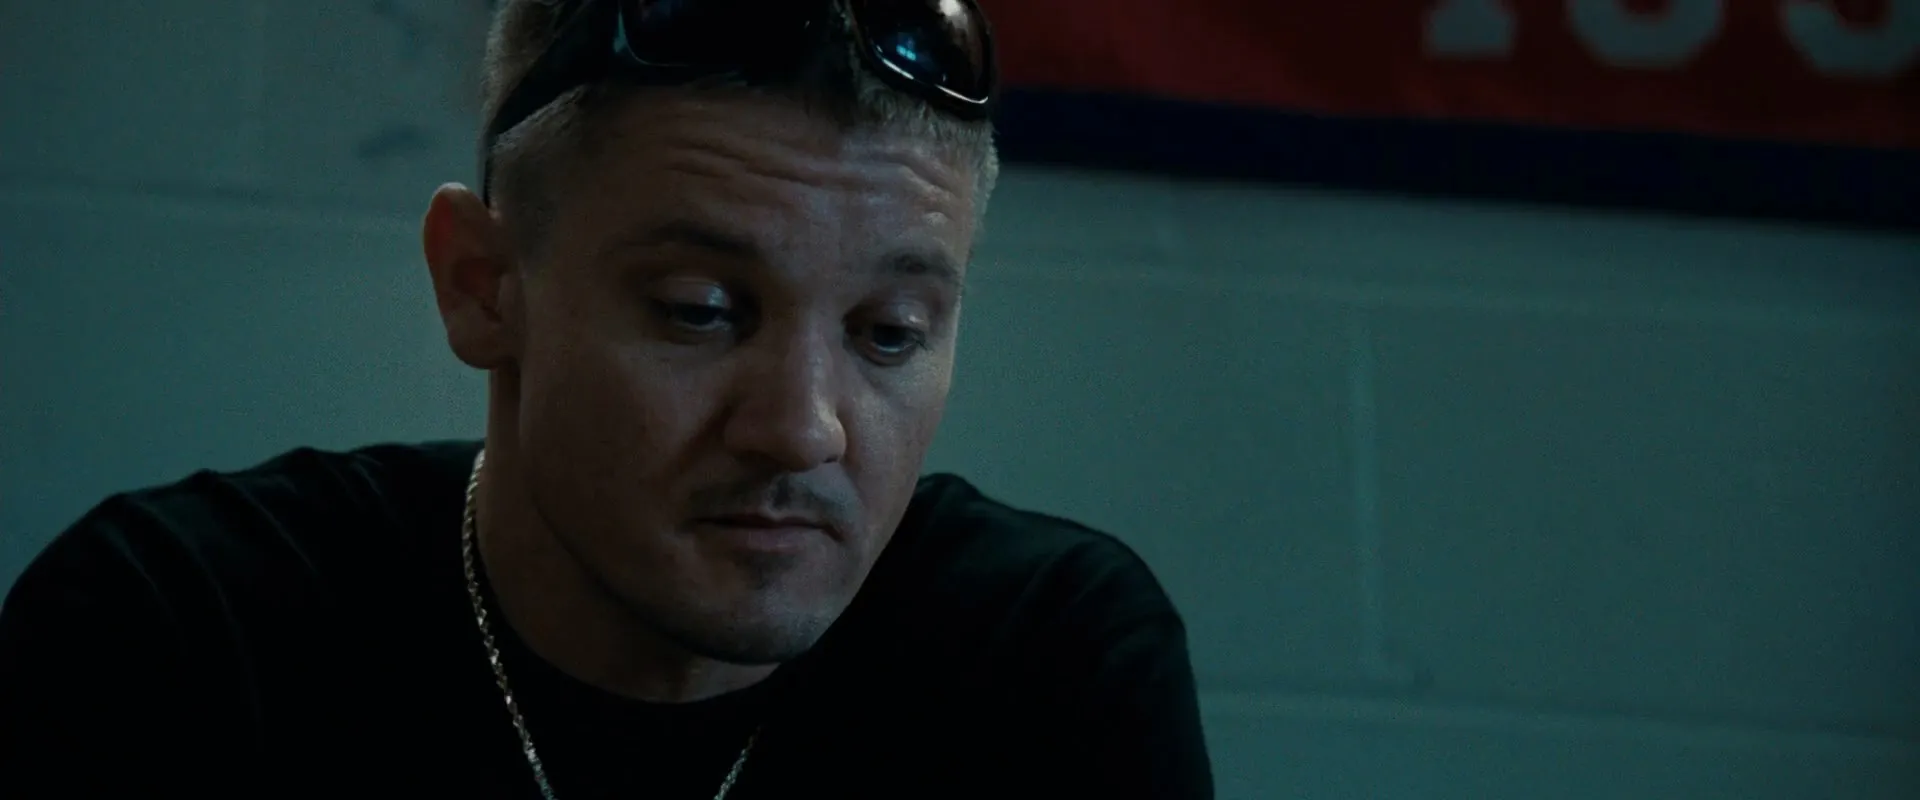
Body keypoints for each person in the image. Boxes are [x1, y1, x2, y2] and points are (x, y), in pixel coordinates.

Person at [0, 1, 1212, 797]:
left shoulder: (1046, 663)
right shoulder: (176, 635)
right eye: (700, 310)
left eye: (888, 333)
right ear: (483, 285)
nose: (801, 426)